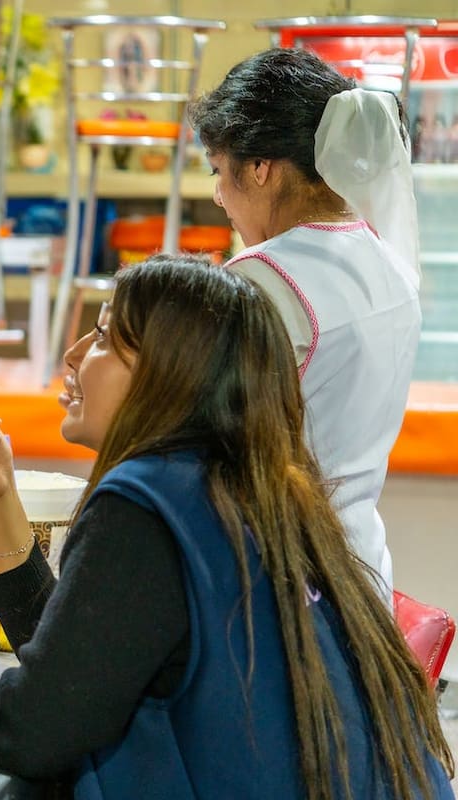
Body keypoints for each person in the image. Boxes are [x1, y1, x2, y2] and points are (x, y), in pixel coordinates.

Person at [0, 256, 453, 799]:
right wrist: (0, 496)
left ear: (169, 371)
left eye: (102, 338)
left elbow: (32, 729)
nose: (73, 356)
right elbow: (83, 669)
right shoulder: (253, 488)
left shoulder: (147, 501)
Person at [188, 48, 421, 602]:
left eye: (220, 172)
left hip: (278, 584)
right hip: (363, 573)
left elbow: (199, 449)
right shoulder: (391, 265)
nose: (220, 197)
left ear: (260, 167)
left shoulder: (258, 281)